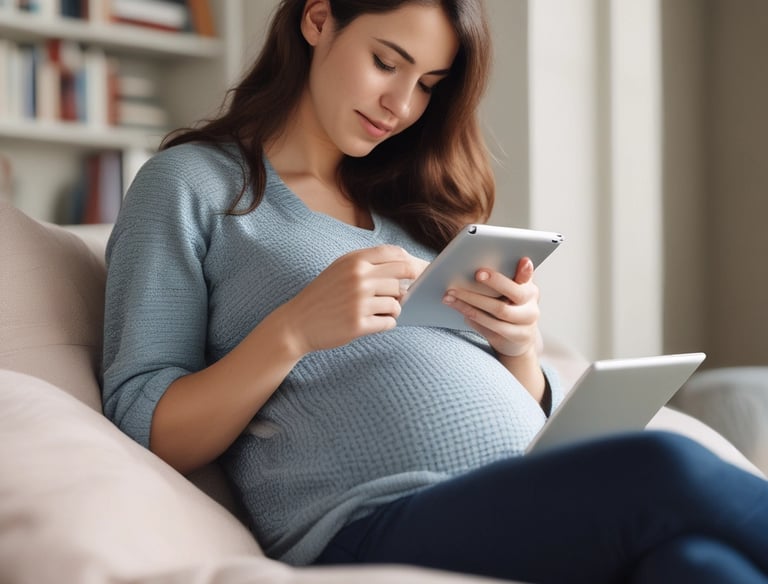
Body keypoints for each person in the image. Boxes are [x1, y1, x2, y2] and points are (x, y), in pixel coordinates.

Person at [102, 1, 768, 582]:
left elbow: (522, 414)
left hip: (522, 501)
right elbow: (143, 420)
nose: (402, 105)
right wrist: (294, 330)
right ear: (317, 17)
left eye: (428, 84)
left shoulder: (413, 213)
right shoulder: (193, 184)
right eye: (386, 62)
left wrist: (518, 351)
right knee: (664, 467)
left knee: (699, 565)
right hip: (371, 526)